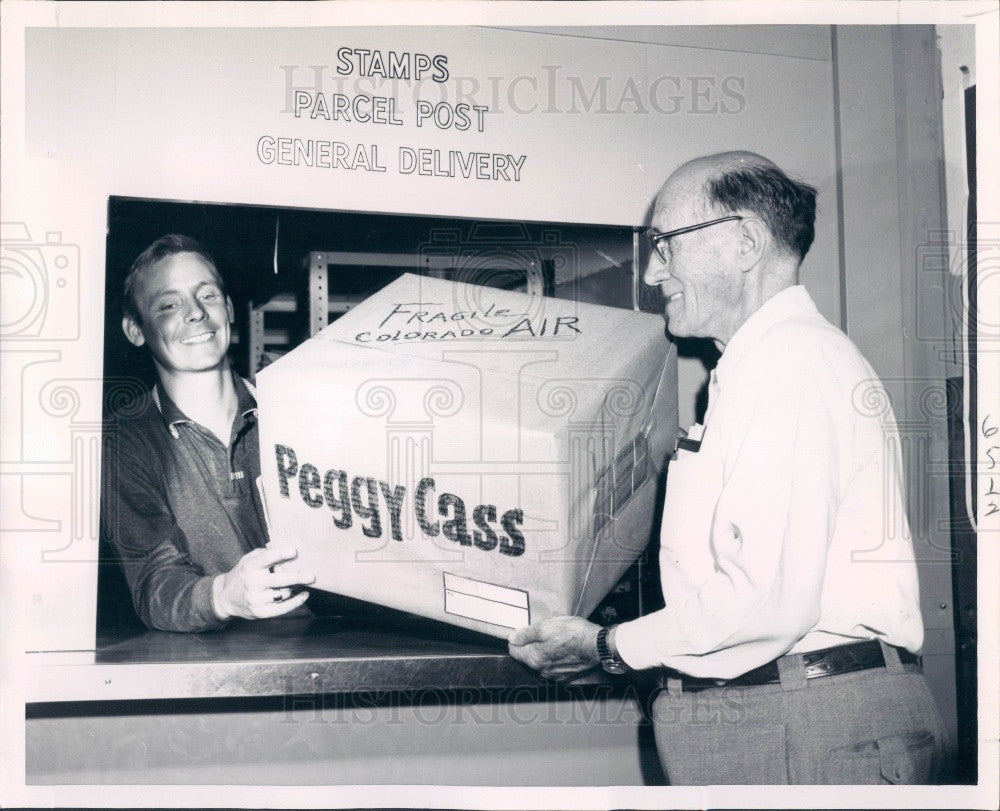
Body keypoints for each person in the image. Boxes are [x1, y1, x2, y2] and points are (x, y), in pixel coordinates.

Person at [508, 152, 946, 784]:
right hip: (780, 718)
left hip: (805, 724)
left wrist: (609, 648)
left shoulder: (789, 364)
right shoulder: (762, 367)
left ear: (744, 241)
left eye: (666, 245)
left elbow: (764, 602)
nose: (653, 273)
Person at [101, 234, 316, 632]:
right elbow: (154, 582)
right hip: (211, 665)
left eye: (208, 295)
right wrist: (225, 595)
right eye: (168, 305)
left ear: (230, 309)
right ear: (135, 330)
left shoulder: (294, 412)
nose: (196, 313)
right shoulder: (124, 440)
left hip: (328, 647)